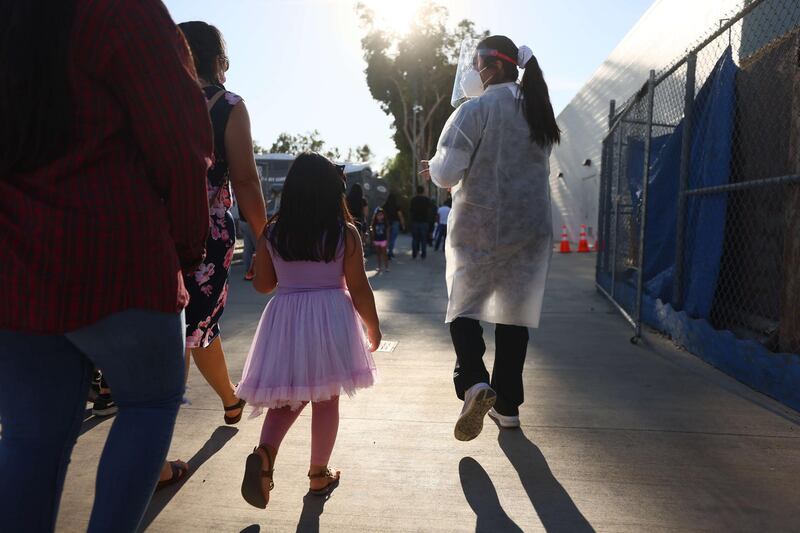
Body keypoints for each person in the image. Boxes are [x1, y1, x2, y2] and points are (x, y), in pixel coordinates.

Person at [0, 1, 212, 531]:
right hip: (120, 258)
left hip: (19, 265)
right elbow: (181, 144)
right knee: (151, 402)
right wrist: (187, 251)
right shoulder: (121, 10)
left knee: (31, 436)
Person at [422, 35, 559, 441]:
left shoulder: (476, 110)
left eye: (477, 64)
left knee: (463, 307)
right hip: (530, 230)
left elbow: (447, 173)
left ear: (492, 67)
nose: (473, 72)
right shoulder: (538, 113)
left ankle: (475, 382)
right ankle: (508, 407)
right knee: (514, 317)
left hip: (481, 227)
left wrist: (432, 167)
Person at [236, 153, 380, 509]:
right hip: (331, 318)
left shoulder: (273, 231)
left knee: (289, 395)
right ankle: (318, 473)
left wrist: (261, 265)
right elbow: (359, 288)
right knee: (326, 399)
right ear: (334, 191)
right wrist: (372, 327)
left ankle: (265, 454)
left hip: (286, 319)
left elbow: (263, 286)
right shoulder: (344, 234)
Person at [167, 21, 268, 485]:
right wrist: (264, 238)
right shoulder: (226, 106)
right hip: (204, 236)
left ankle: (230, 400)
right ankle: (151, 454)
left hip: (147, 229)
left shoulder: (150, 100)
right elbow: (245, 179)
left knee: (198, 326)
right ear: (217, 59)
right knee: (183, 329)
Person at [382, 193, 406, 259]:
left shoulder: (385, 206)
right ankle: (390, 252)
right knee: (393, 239)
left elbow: (382, 215)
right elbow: (400, 216)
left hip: (387, 223)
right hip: (395, 223)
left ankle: (386, 252)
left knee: (387, 238)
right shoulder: (397, 206)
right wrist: (403, 224)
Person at [409, 186, 430, 259]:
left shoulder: (413, 200)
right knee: (423, 239)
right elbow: (429, 211)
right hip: (424, 221)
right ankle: (423, 254)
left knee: (415, 238)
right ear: (423, 191)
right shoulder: (426, 200)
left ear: (416, 191)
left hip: (415, 221)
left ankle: (414, 254)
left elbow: (411, 211)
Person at [371, 208, 391, 273]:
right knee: (378, 254)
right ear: (376, 216)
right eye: (378, 215)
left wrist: (387, 241)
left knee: (384, 254)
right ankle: (379, 267)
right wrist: (372, 240)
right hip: (376, 240)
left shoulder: (385, 223)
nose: (380, 216)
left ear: (383, 215)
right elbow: (373, 233)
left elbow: (388, 232)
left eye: (381, 215)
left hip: (383, 240)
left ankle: (386, 267)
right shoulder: (374, 224)